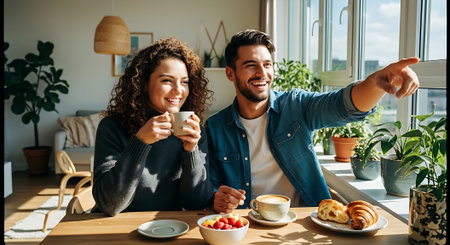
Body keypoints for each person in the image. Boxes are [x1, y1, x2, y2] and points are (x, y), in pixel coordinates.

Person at [205, 29, 419, 213]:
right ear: (230, 74)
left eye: (267, 64)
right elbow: (211, 187)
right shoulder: (214, 127)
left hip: (303, 221)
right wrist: (217, 197)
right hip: (244, 224)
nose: (263, 73)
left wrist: (376, 83)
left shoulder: (295, 106)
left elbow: (342, 106)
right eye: (251, 65)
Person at [93, 37, 214, 216]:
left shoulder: (194, 132)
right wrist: (140, 142)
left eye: (185, 82)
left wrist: (191, 151)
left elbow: (196, 205)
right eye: (167, 80)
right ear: (144, 84)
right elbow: (110, 205)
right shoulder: (112, 127)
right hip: (116, 230)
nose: (179, 91)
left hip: (168, 229)